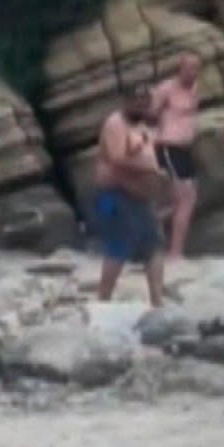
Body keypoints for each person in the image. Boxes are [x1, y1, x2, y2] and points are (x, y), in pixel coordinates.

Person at [93, 85, 169, 306]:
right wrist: (151, 170)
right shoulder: (115, 123)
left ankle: (157, 299)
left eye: (146, 102)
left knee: (154, 244)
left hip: (141, 196)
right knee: (118, 244)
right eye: (137, 101)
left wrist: (156, 177)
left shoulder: (142, 126)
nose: (142, 106)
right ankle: (103, 298)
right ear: (126, 101)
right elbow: (116, 159)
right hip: (113, 194)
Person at [150, 53, 202, 261]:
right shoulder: (166, 89)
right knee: (186, 199)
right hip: (168, 147)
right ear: (179, 69)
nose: (193, 72)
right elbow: (149, 115)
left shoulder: (195, 89)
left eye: (197, 68)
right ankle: (175, 252)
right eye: (189, 68)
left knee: (179, 201)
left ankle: (148, 225)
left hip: (185, 149)